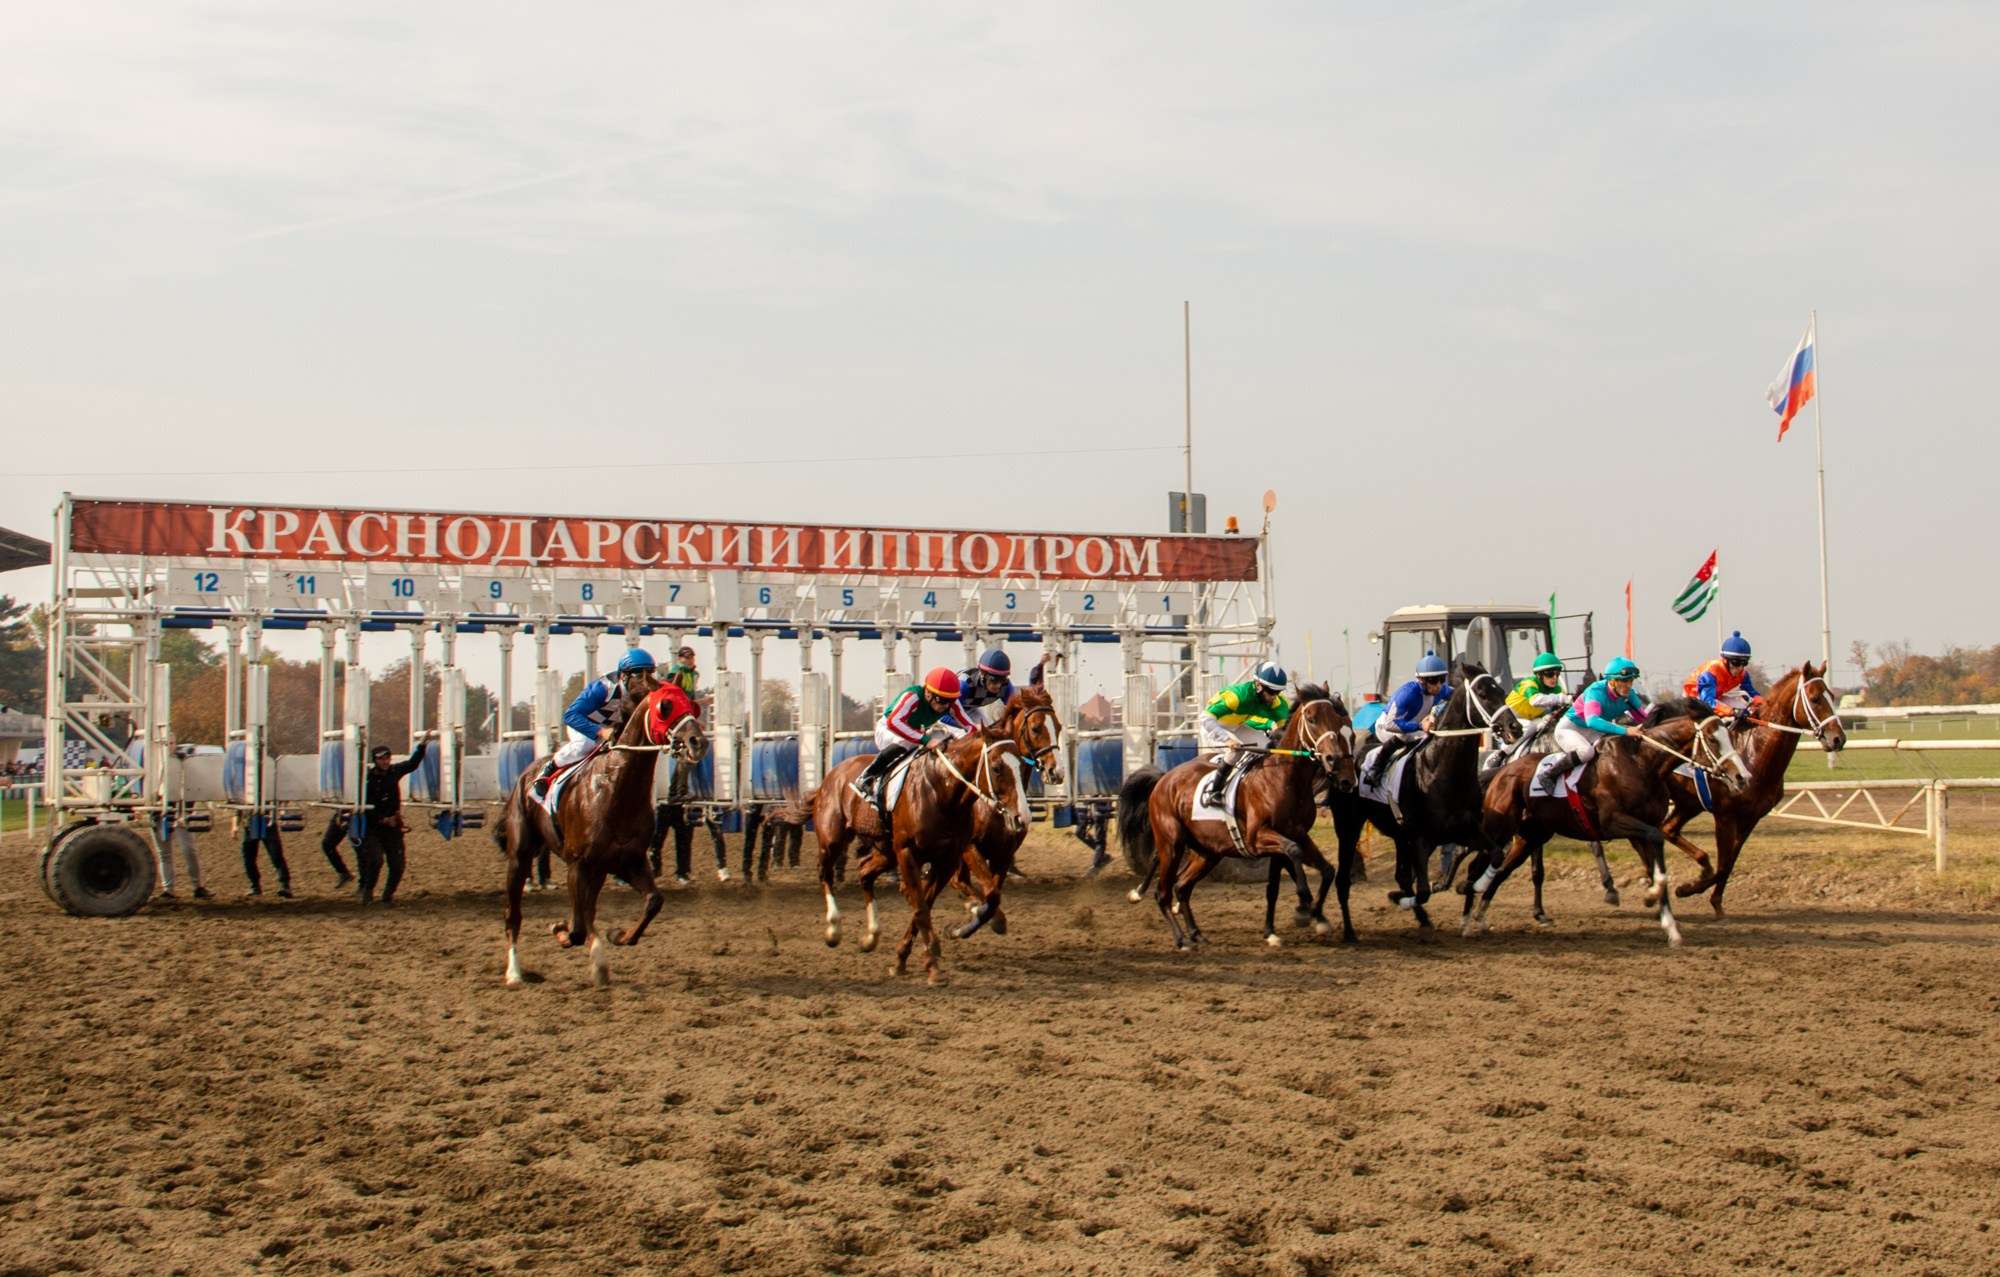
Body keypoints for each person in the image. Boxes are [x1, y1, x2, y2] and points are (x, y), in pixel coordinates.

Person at [530, 648, 658, 801]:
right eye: (639, 676)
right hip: (584, 725)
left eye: (649, 674)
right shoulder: (602, 688)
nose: (646, 682)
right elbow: (570, 715)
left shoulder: (642, 694)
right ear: (624, 676)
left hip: (610, 730)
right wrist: (600, 731)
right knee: (585, 745)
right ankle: (550, 769)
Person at [852, 667, 977, 811]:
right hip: (887, 730)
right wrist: (926, 740)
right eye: (942, 700)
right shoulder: (913, 697)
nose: (945, 706)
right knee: (908, 742)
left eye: (950, 701)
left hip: (914, 733)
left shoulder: (949, 703)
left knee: (947, 739)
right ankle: (867, 775)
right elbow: (894, 722)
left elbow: (970, 727)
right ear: (928, 693)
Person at [1534, 655, 1649, 789]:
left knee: (1616, 748)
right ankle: (1549, 775)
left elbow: (1643, 719)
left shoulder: (1630, 696)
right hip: (1571, 728)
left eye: (1631, 681)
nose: (1628, 685)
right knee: (1586, 752)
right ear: (1611, 681)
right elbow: (1593, 721)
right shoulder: (1596, 692)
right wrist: (1626, 730)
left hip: (1595, 731)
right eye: (1624, 681)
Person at [1197, 662, 1291, 799]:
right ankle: (1214, 791)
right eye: (1271, 692)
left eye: (1277, 692)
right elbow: (1205, 718)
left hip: (1238, 726)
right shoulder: (1237, 697)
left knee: (1269, 749)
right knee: (1236, 750)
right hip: (1213, 727)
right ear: (1258, 685)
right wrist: (1226, 739)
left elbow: (1284, 732)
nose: (1273, 697)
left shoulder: (1278, 704)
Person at [356, 735, 431, 905]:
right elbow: (365, 807)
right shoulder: (367, 779)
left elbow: (412, 764)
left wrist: (422, 745)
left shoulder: (394, 771)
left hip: (393, 826)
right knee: (375, 860)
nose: (385, 761)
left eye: (387, 758)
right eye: (381, 758)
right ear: (374, 760)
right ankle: (368, 891)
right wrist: (383, 820)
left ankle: (388, 895)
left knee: (397, 865)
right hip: (374, 827)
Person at [1365, 651, 1452, 789]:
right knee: (1412, 735)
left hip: (1410, 728)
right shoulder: (1407, 693)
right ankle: (1376, 768)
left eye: (1442, 680)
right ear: (1422, 681)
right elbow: (1390, 724)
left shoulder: (1440, 690)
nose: (1439, 685)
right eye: (1434, 681)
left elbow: (1459, 695)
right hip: (1386, 727)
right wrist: (1419, 726)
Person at [1684, 631, 1763, 719]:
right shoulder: (1709, 673)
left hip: (1716, 697)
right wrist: (1731, 711)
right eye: (1736, 662)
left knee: (1743, 709)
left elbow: (1751, 693)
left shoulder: (1743, 674)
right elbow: (1707, 702)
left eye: (1744, 663)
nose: (1740, 668)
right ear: (1725, 660)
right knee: (1731, 715)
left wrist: (1761, 702)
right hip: (1695, 700)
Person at [1504, 652, 1572, 752]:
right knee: (1528, 726)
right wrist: (1562, 699)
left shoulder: (1557, 689)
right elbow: (1535, 700)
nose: (1554, 677)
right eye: (1550, 674)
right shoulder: (1529, 683)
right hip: (1509, 720)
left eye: (1557, 673)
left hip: (1531, 719)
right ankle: (1502, 753)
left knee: (1548, 724)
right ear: (1539, 675)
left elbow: (1568, 705)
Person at [956, 649, 1015, 727]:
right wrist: (972, 726)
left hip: (970, 709)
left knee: (989, 733)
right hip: (945, 713)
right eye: (993, 679)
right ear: (981, 674)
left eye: (1002, 679)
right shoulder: (965, 685)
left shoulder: (1006, 686)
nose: (998, 685)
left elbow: (1015, 712)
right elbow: (947, 714)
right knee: (970, 733)